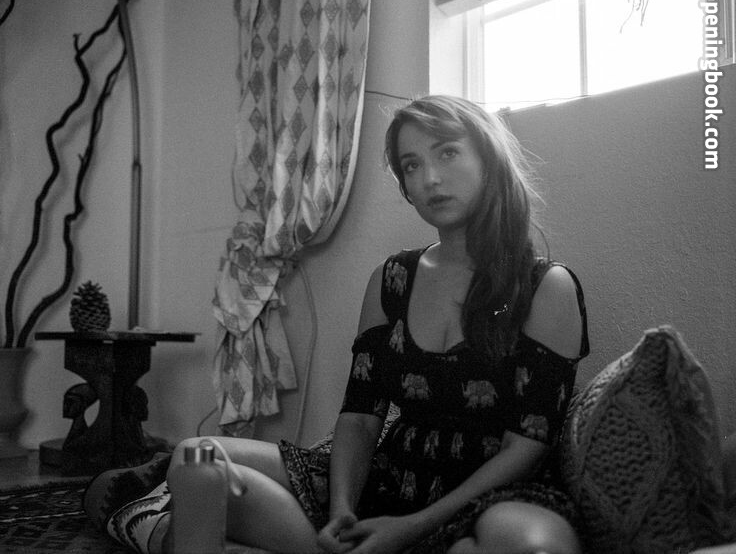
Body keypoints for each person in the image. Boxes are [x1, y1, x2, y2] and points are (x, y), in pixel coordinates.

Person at [84, 94, 589, 554]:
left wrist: (409, 528)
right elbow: (361, 417)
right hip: (389, 481)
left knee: (529, 545)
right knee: (197, 456)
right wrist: (341, 510)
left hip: (490, 496)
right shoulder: (392, 279)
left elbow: (526, 447)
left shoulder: (546, 287)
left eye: (448, 153)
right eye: (412, 165)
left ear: (489, 159)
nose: (430, 178)